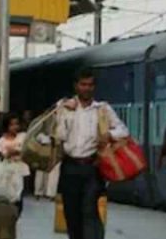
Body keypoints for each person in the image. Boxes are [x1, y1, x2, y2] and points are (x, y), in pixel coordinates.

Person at [55, 68, 130, 239]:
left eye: (90, 85)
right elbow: (58, 136)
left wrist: (109, 135)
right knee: (72, 215)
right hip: (70, 167)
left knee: (89, 210)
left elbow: (123, 131)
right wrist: (65, 112)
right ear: (76, 86)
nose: (86, 88)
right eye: (83, 84)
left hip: (92, 167)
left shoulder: (102, 109)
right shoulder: (64, 107)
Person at [0, 112, 30, 215]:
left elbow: (28, 151)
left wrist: (18, 151)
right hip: (6, 174)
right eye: (11, 124)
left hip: (21, 171)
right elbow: (1, 157)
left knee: (19, 200)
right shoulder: (0, 141)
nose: (15, 127)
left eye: (16, 124)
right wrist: (9, 153)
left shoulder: (23, 137)